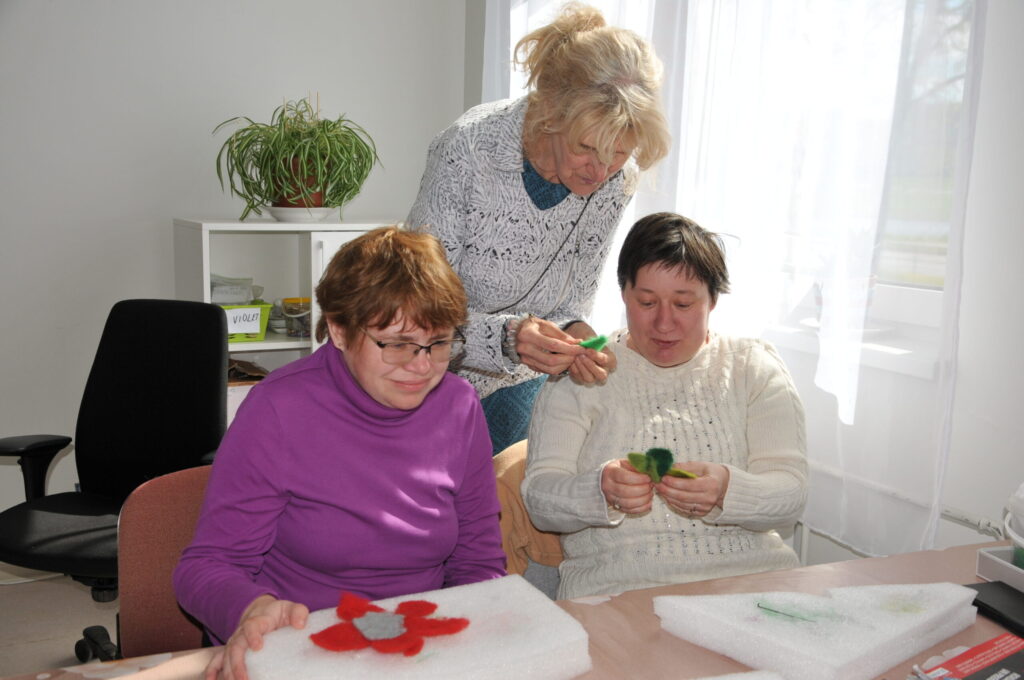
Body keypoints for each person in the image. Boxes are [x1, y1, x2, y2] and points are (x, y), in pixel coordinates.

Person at [173, 227, 506, 680]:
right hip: (299, 647)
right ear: (339, 329)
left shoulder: (459, 406)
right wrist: (253, 610)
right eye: (397, 344)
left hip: (417, 652)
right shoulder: (279, 409)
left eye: (440, 343)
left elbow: (478, 562)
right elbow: (208, 566)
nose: (422, 365)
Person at [406, 2, 671, 454]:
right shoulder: (467, 151)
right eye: (587, 148)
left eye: (619, 154)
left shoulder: (613, 183)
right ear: (551, 114)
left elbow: (572, 300)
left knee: (562, 463)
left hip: (522, 375)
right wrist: (509, 339)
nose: (601, 171)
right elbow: (413, 313)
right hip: (426, 363)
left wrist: (580, 338)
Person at [521, 212, 808, 600]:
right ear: (624, 293)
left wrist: (727, 490)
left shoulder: (751, 367)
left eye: (684, 304)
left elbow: (789, 494)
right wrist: (599, 491)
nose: (664, 323)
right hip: (619, 593)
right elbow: (539, 499)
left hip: (754, 586)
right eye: (647, 302)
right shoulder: (584, 372)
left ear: (713, 300)